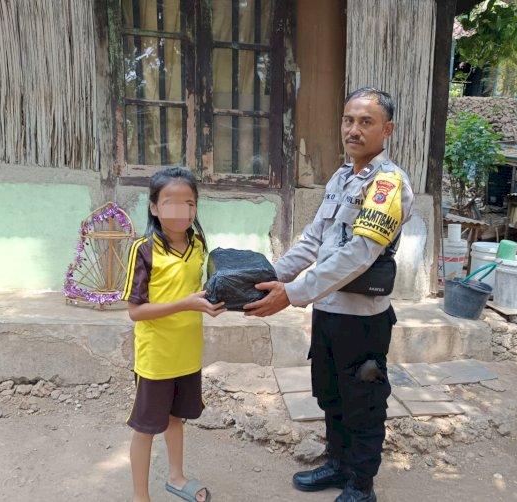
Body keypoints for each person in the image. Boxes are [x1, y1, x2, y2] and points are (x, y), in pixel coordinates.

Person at [245, 87, 414, 502]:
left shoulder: (388, 185)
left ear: (386, 130)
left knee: (364, 400)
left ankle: (362, 484)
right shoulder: (341, 178)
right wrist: (270, 277)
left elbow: (358, 255)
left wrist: (292, 294)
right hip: (328, 310)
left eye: (366, 122)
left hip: (364, 318)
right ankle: (338, 464)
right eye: (348, 120)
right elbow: (312, 242)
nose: (353, 130)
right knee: (331, 394)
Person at [124, 167, 226, 502]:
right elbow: (136, 311)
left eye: (189, 203)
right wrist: (185, 304)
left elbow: (200, 294)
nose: (181, 211)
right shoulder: (144, 250)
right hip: (157, 358)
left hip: (187, 354)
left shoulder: (198, 245)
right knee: (145, 428)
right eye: (170, 202)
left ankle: (177, 477)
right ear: (154, 207)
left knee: (175, 419)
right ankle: (141, 496)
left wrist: (215, 302)